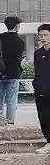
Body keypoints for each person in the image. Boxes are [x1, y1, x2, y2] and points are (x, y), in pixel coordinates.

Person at [0, 16, 24, 126]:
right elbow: (19, 56)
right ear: (17, 26)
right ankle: (10, 122)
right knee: (11, 100)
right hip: (13, 73)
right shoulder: (19, 41)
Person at [34, 24, 50, 153]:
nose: (43, 38)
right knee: (44, 118)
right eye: (40, 35)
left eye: (45, 35)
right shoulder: (38, 53)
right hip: (41, 91)